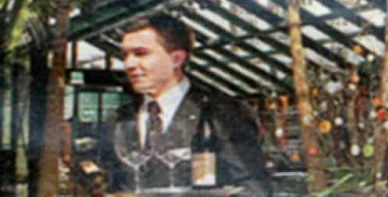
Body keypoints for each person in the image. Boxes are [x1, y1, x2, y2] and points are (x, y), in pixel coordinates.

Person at [98, 13, 272, 195]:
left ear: (177, 59)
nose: (129, 64)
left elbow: (255, 189)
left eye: (141, 53)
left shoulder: (221, 112)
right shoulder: (119, 119)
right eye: (125, 55)